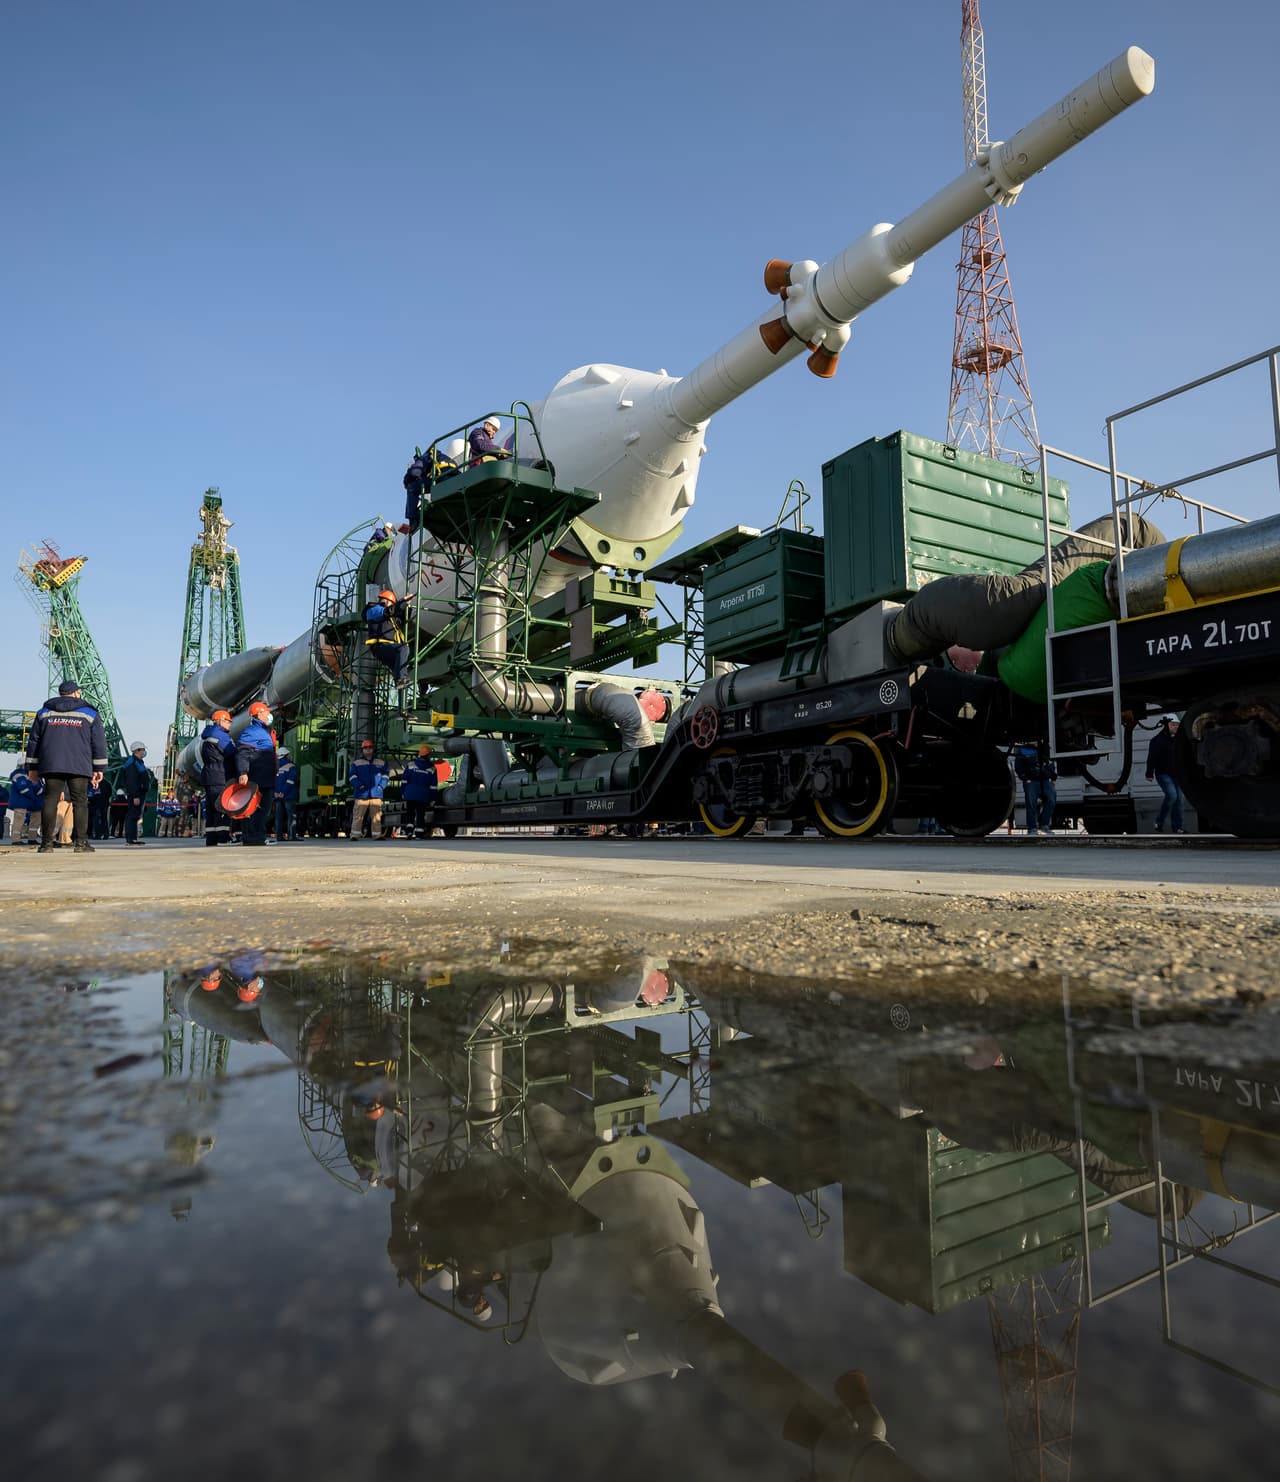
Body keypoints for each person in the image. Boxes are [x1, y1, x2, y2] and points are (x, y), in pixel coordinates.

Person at [24, 680, 108, 854]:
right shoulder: (89, 713)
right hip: (79, 764)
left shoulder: (44, 712)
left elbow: (34, 742)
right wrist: (99, 768)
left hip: (51, 764)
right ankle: (81, 843)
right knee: (80, 802)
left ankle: (46, 844)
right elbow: (98, 742)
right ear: (77, 693)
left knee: (50, 801)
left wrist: (32, 767)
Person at [234, 700, 278, 847]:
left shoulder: (263, 732)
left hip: (265, 777)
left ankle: (257, 836)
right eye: (266, 712)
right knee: (256, 808)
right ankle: (253, 837)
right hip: (257, 778)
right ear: (259, 714)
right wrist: (243, 772)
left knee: (263, 809)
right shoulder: (251, 732)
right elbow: (243, 753)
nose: (269, 715)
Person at [199, 708, 238, 846]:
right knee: (222, 807)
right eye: (228, 721)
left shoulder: (207, 735)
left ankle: (212, 838)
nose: (230, 724)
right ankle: (223, 838)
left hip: (209, 775)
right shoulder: (220, 735)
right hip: (220, 775)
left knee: (211, 809)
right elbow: (231, 752)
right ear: (221, 720)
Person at [364, 588, 414, 689]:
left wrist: (407, 605)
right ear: (387, 601)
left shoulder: (392, 618)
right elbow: (388, 612)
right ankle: (401, 679)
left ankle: (401, 700)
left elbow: (400, 619)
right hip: (381, 647)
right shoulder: (373, 609)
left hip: (391, 648)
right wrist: (402, 602)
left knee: (400, 674)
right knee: (403, 648)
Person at [1146, 716, 1186, 834]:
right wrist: (1149, 773)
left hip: (1177, 774)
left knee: (1180, 800)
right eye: (1173, 724)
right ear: (1166, 725)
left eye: (1177, 725)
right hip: (1163, 773)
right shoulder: (1157, 740)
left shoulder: (1179, 740)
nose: (1176, 727)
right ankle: (1159, 821)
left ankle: (1177, 827)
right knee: (1172, 795)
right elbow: (1151, 757)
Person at [348, 738, 390, 839]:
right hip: (362, 794)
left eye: (370, 747)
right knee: (358, 816)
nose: (368, 749)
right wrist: (359, 785)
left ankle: (377, 835)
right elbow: (352, 777)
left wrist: (381, 786)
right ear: (362, 749)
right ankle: (355, 835)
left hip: (376, 793)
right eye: (366, 748)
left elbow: (386, 776)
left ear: (373, 749)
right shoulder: (356, 763)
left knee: (376, 816)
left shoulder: (381, 763)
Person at [1013, 741, 1057, 836]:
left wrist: (1053, 777)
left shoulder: (1045, 748)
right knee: (1031, 804)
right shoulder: (1023, 750)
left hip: (1045, 779)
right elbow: (1018, 766)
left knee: (1051, 801)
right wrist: (1025, 778)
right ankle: (1032, 829)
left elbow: (1051, 762)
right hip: (1031, 781)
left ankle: (1044, 825)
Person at [400, 745, 438, 838]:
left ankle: (409, 831)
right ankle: (419, 833)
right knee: (421, 814)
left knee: (410, 813)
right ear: (428, 755)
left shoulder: (411, 765)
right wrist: (433, 798)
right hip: (423, 795)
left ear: (419, 754)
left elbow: (404, 780)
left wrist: (403, 792)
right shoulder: (432, 768)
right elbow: (433, 786)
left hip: (410, 793)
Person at [120, 742, 153, 846]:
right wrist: (135, 796)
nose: (144, 752)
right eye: (142, 749)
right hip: (136, 794)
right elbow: (131, 781)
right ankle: (131, 838)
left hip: (139, 793)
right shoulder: (132, 764)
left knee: (135, 815)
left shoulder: (138, 762)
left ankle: (133, 837)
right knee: (132, 815)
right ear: (137, 751)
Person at [274, 746, 300, 841]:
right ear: (286, 755)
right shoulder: (291, 766)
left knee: (278, 817)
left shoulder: (274, 766)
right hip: (289, 795)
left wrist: (276, 793)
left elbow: (272, 781)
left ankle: (279, 836)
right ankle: (291, 836)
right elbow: (290, 781)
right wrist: (283, 792)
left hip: (277, 796)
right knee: (291, 816)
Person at [88, 771, 111, 839]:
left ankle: (97, 834)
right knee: (104, 819)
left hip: (95, 804)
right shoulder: (107, 783)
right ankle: (105, 834)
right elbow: (109, 793)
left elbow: (91, 793)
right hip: (104, 803)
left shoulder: (93, 783)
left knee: (96, 819)